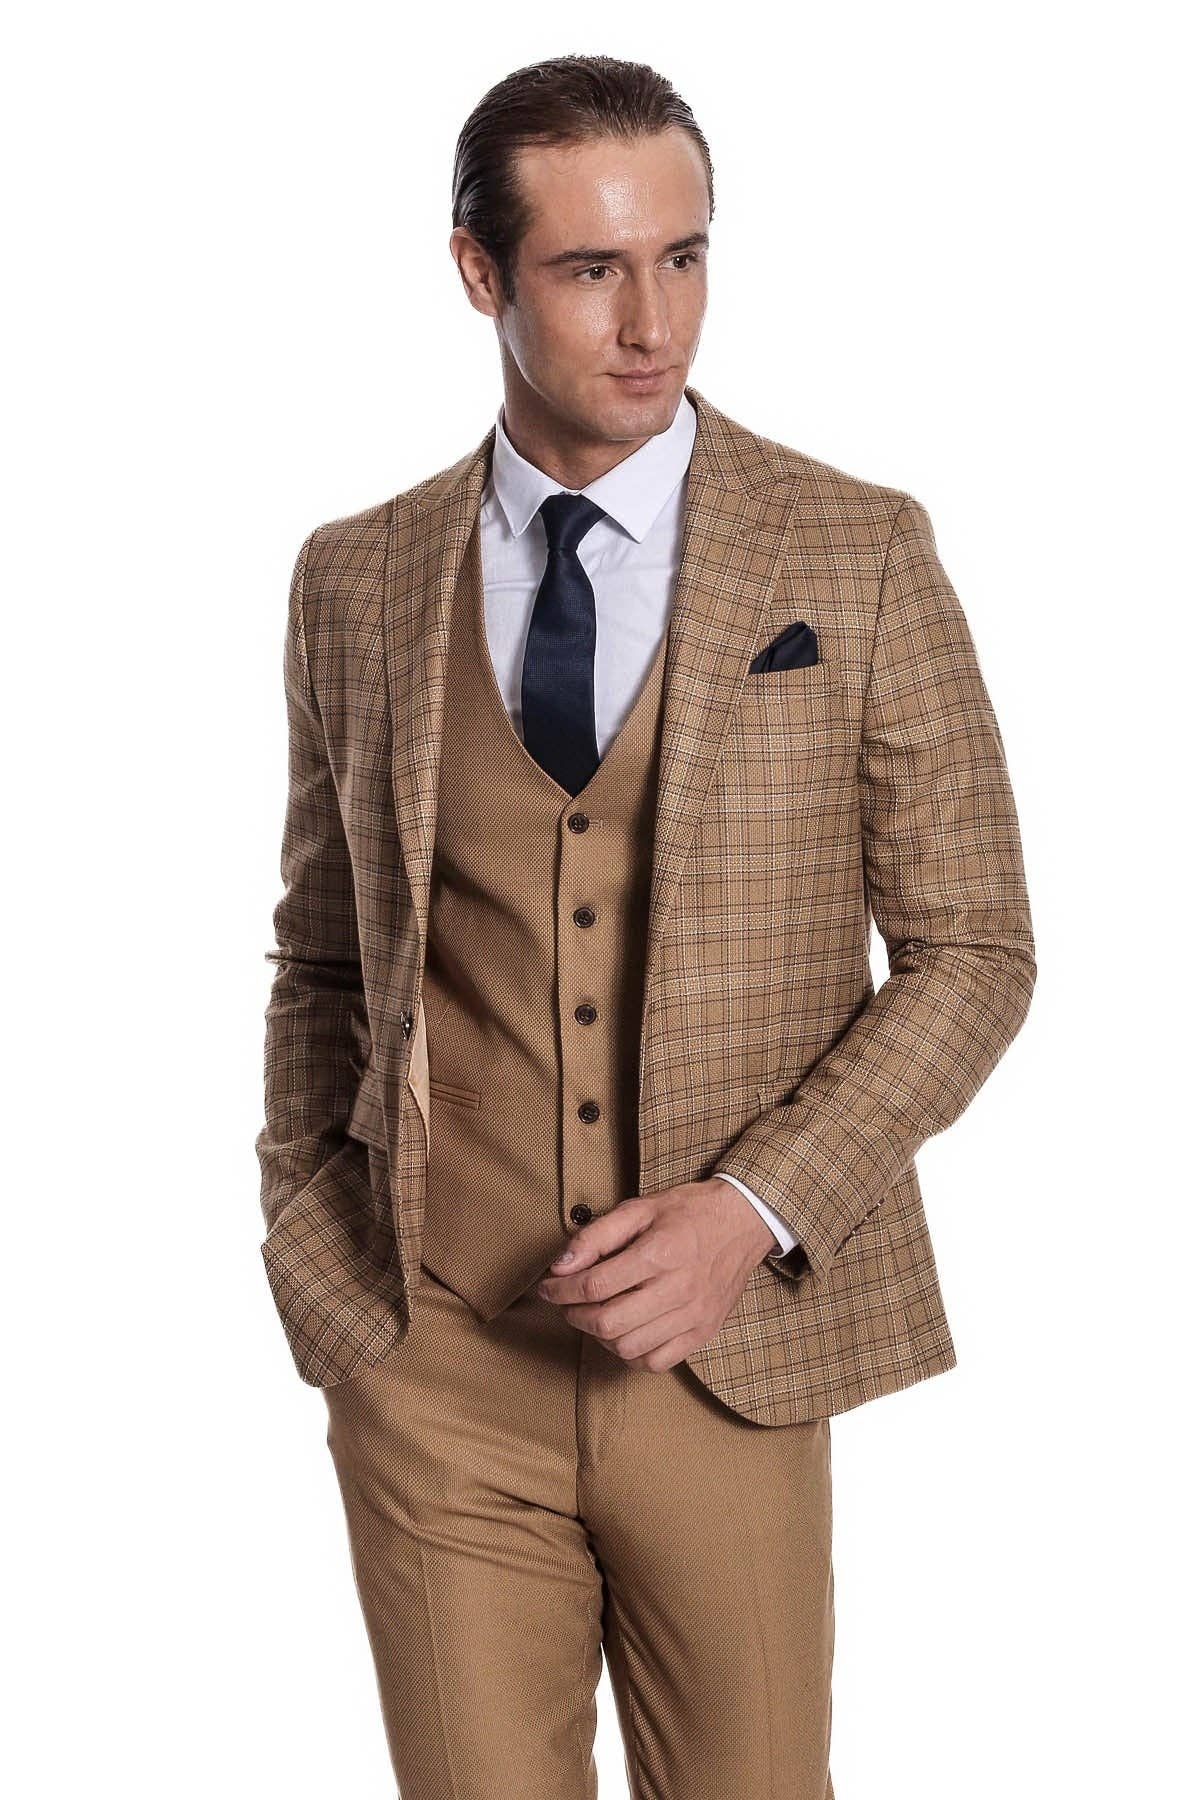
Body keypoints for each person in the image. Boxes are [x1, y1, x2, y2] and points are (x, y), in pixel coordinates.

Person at [255, 52, 1036, 1800]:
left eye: (684, 257)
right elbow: (323, 955)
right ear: (480, 271)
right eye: (592, 267)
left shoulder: (856, 551)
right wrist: (322, 1253)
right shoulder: (354, 579)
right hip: (436, 1361)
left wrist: (753, 1210)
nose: (652, 321)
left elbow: (977, 948)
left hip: (727, 1362)